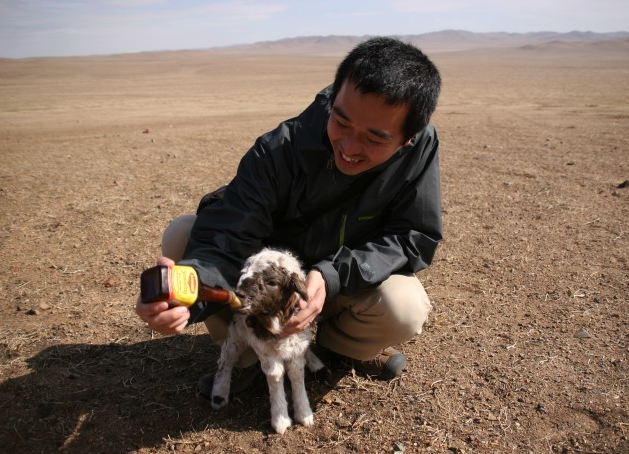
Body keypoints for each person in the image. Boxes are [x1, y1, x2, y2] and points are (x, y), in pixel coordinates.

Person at [135, 37, 442, 394]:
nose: (350, 147)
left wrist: (330, 276)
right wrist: (187, 297)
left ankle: (333, 351)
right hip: (267, 291)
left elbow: (412, 235)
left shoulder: (420, 148)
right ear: (335, 99)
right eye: (341, 122)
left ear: (408, 138)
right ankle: (249, 357)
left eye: (374, 139)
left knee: (404, 306)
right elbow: (226, 242)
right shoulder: (278, 149)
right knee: (182, 235)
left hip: (341, 286)